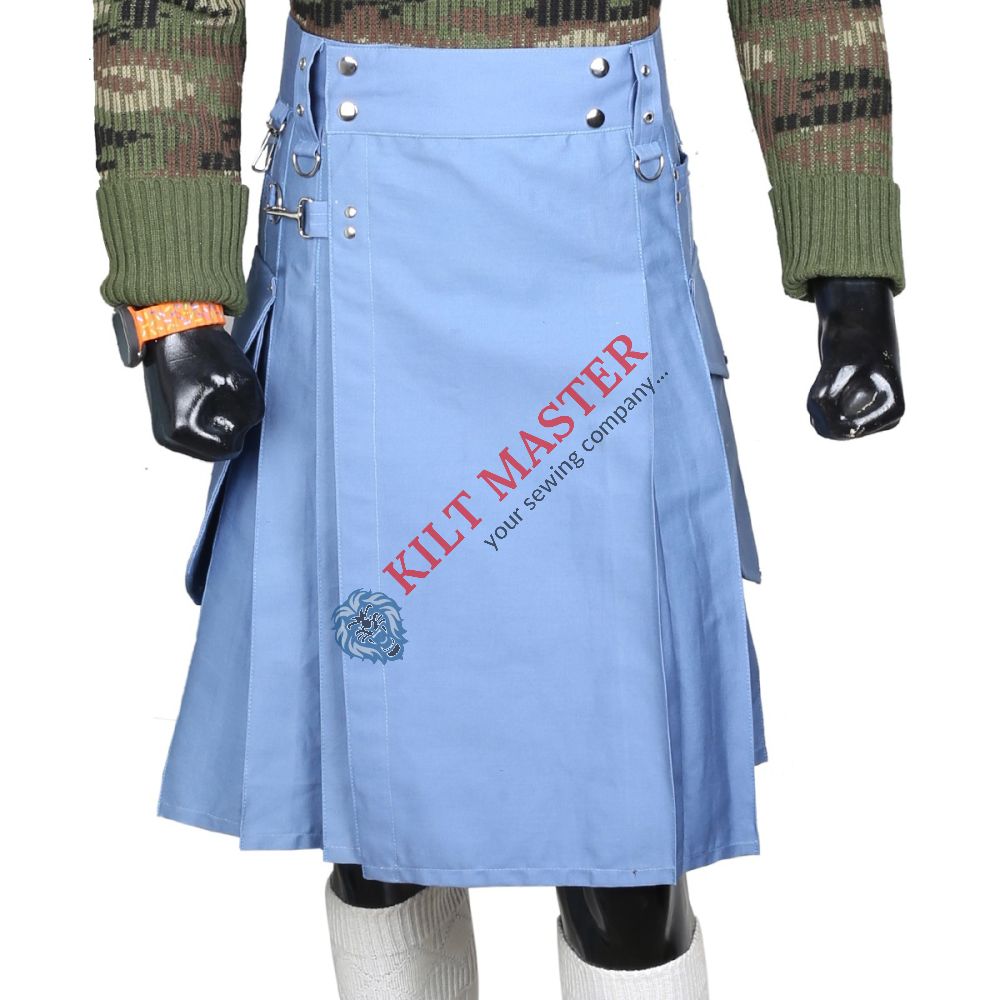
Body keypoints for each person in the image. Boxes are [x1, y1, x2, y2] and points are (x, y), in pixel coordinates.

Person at [92, 2, 905, 997]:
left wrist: (850, 269)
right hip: (355, 194)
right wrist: (174, 301)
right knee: (380, 828)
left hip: (598, 199)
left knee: (626, 852)